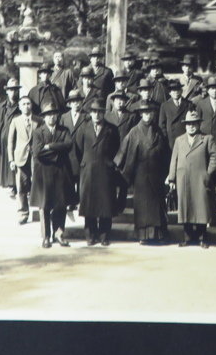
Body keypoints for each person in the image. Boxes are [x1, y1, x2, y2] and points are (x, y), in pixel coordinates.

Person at [115, 99, 171, 245]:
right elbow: (124, 150)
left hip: (156, 174)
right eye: (145, 113)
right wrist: (117, 166)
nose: (148, 115)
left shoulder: (158, 130)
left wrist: (165, 173)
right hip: (140, 174)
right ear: (141, 114)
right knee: (142, 207)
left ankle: (158, 235)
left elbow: (165, 153)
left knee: (157, 207)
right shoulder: (134, 131)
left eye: (150, 112)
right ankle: (143, 236)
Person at [167, 109, 216, 248]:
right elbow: (174, 160)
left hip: (200, 179)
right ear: (185, 125)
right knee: (185, 208)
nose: (191, 126)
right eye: (188, 123)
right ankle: (188, 237)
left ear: (198, 124)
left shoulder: (207, 139)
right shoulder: (179, 140)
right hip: (183, 179)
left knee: (201, 208)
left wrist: (208, 173)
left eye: (194, 123)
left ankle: (203, 238)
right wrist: (172, 179)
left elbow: (215, 155)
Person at [72, 97, 122, 246]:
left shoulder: (111, 129)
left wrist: (109, 163)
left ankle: (104, 235)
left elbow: (116, 149)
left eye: (100, 112)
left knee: (105, 205)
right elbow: (78, 149)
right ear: (90, 113)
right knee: (89, 205)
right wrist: (85, 163)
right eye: (94, 112)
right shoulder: (83, 128)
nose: (97, 115)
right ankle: (90, 235)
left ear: (103, 113)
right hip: (88, 171)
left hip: (105, 171)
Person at [30, 99, 75, 249]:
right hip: (43, 175)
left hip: (61, 173)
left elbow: (68, 145)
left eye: (54, 114)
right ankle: (46, 237)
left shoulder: (64, 131)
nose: (51, 117)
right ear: (43, 117)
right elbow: (38, 152)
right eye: (48, 115)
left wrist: (49, 146)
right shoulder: (38, 132)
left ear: (57, 116)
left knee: (60, 205)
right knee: (44, 207)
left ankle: (59, 234)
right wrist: (57, 153)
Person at [5, 93, 37, 225]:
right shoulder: (15, 121)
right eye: (23, 104)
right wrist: (11, 160)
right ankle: (23, 213)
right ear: (19, 106)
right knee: (22, 187)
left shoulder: (38, 121)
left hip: (36, 159)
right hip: (20, 158)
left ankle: (42, 211)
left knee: (38, 185)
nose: (26, 106)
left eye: (28, 104)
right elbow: (10, 141)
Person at [0, 77, 20, 193]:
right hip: (5, 139)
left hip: (18, 138)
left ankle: (17, 185)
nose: (13, 92)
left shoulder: (21, 106)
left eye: (15, 89)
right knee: (7, 161)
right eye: (11, 90)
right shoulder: (2, 107)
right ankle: (10, 184)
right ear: (7, 91)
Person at [158, 78, 190, 149]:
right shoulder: (164, 105)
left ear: (181, 91)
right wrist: (166, 138)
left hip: (185, 138)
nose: (175, 92)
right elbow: (162, 125)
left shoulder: (188, 104)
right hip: (170, 141)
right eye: (173, 90)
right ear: (169, 92)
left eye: (177, 90)